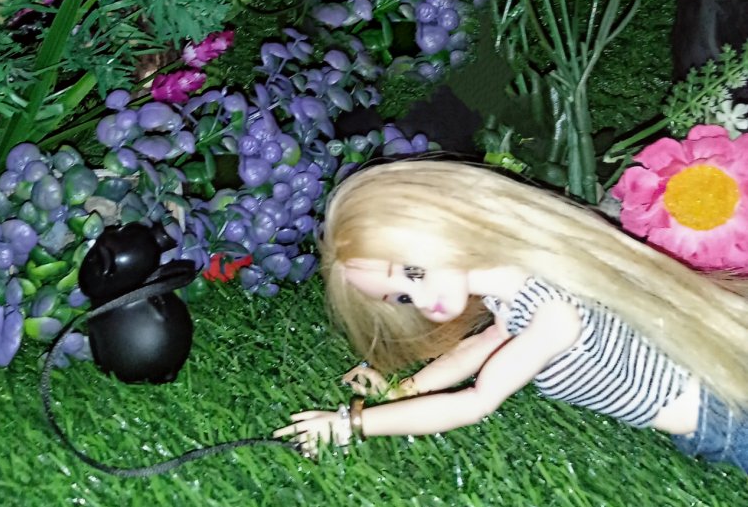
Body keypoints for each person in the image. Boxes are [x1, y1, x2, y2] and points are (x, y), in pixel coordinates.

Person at [274, 159, 748, 472]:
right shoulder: (520, 289)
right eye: (400, 297)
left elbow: (474, 401)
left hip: (725, 423)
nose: (419, 300)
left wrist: (351, 424)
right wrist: (404, 390)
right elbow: (476, 349)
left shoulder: (552, 314)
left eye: (413, 272)